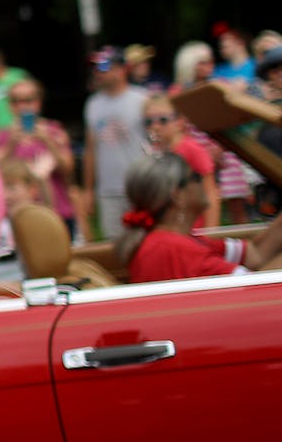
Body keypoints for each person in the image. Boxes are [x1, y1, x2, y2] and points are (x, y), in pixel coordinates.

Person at [117, 154, 282, 282]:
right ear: (177, 195)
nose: (203, 180)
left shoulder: (173, 241)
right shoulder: (175, 249)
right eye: (195, 177)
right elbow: (259, 289)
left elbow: (255, 253)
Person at [173, 41, 253, 224]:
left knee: (237, 206)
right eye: (202, 62)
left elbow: (231, 120)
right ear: (190, 64)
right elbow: (178, 127)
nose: (209, 65)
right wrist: (201, 152)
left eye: (210, 61)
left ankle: (244, 245)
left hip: (225, 147)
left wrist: (219, 148)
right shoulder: (178, 92)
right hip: (194, 152)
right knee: (201, 203)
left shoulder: (221, 86)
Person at [0, 78, 77, 238]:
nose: (22, 106)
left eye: (28, 100)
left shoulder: (55, 131)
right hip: (20, 217)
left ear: (38, 102)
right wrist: (10, 147)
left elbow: (68, 172)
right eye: (16, 101)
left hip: (57, 212)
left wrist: (48, 141)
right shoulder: (1, 137)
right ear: (10, 105)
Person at [81, 47, 149, 240]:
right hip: (108, 189)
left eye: (103, 66)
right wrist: (88, 190)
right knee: (114, 243)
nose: (98, 72)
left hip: (140, 186)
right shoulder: (93, 104)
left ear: (122, 69)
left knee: (145, 239)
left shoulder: (142, 99)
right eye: (95, 68)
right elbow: (91, 149)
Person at [142, 93, 219, 228]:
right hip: (169, 227)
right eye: (149, 122)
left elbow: (211, 191)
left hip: (194, 228)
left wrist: (211, 231)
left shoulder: (192, 149)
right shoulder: (154, 152)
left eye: (163, 120)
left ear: (180, 121)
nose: (155, 126)